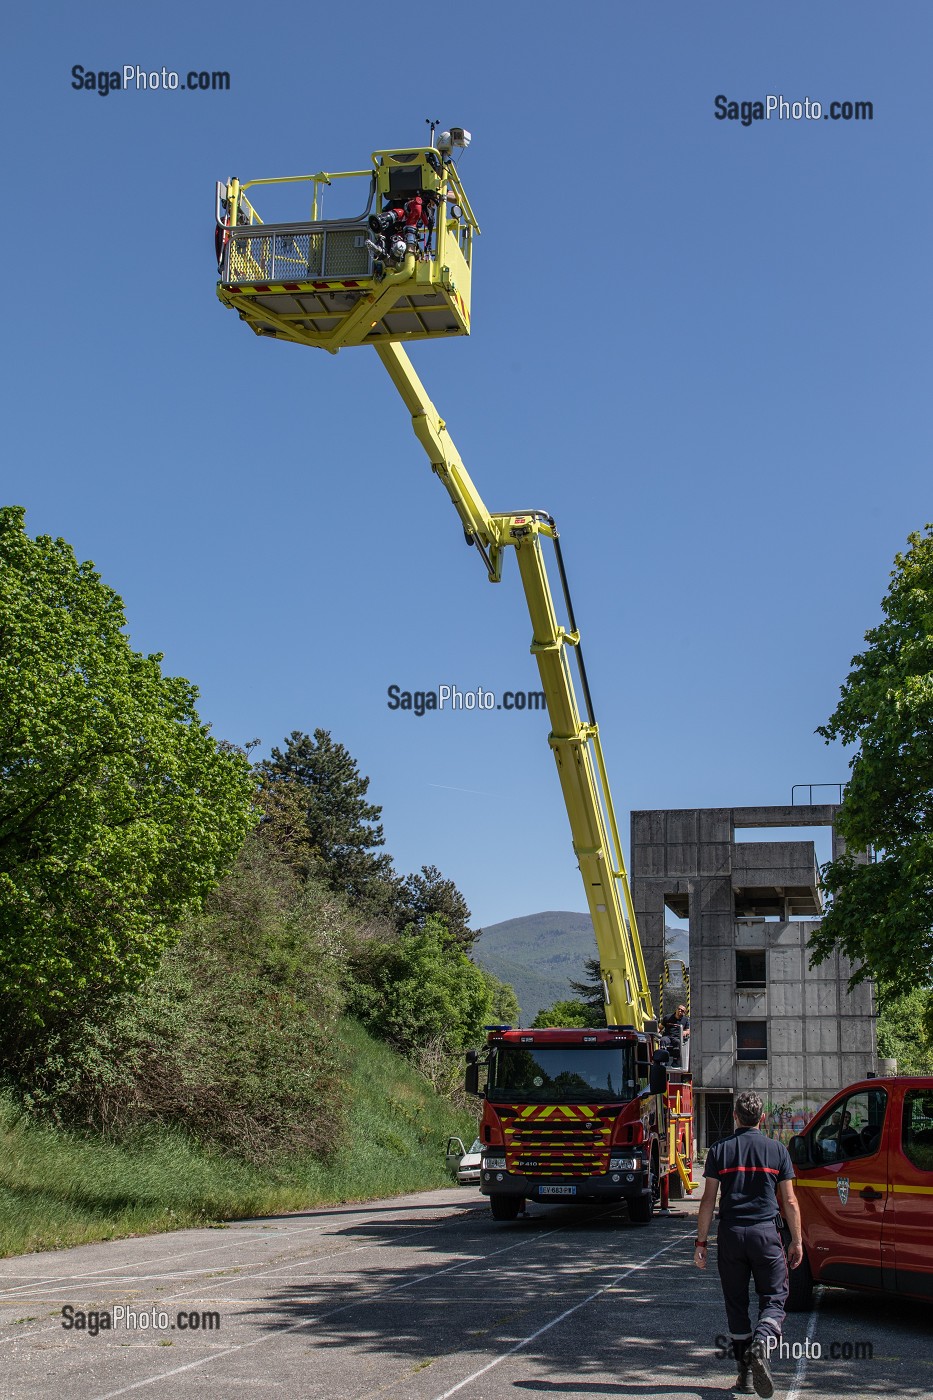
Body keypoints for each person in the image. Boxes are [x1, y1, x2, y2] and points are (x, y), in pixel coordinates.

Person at [694, 1090, 803, 1398]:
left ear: (735, 1117)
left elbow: (707, 1201)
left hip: (730, 1235)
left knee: (736, 1304)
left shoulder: (719, 1150)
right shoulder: (778, 1151)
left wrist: (701, 1241)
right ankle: (763, 1342)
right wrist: (796, 1240)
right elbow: (790, 1201)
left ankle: (745, 1376)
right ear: (762, 1119)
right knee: (774, 1297)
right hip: (766, 1235)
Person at [367, 190, 439, 268]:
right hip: (392, 229)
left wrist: (441, 195)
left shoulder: (434, 187)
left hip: (405, 236)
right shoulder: (404, 202)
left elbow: (450, 196)